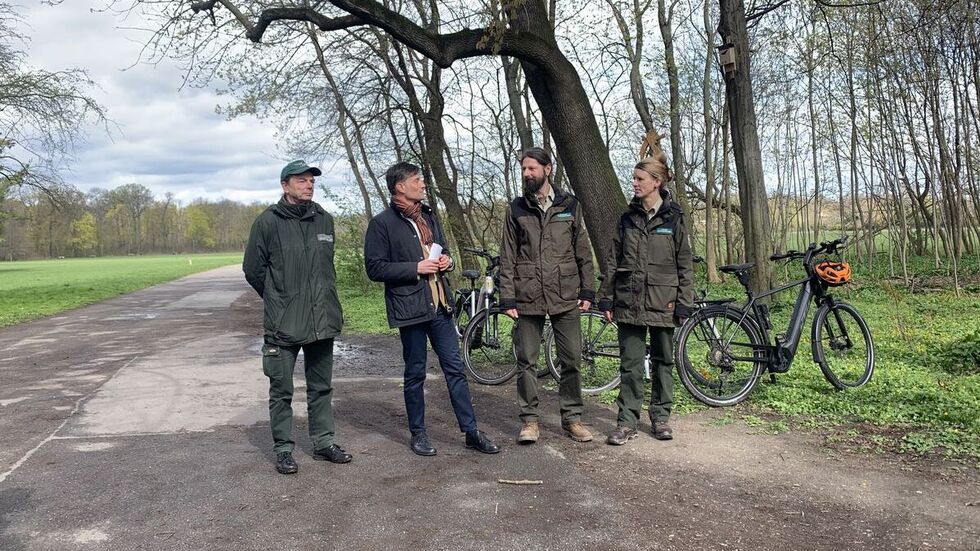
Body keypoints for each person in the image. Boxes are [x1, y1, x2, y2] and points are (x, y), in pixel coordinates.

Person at [364, 161, 500, 457]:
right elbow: (374, 268)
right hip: (410, 308)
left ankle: (471, 432)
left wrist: (447, 261)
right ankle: (419, 433)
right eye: (417, 180)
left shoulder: (427, 216)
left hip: (440, 307)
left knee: (455, 369)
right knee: (415, 373)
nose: (423, 184)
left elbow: (443, 250)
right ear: (400, 186)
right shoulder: (382, 224)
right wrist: (416, 267)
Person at [243, 160, 352, 475]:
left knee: (321, 387)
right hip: (284, 323)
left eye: (311, 181)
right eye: (301, 180)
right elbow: (253, 270)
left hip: (322, 319)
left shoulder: (324, 220)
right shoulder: (267, 222)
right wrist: (279, 299)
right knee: (282, 390)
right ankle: (283, 450)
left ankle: (323, 442)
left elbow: (326, 269)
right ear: (285, 185)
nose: (309, 185)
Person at [498, 147, 596, 444]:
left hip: (564, 293)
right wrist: (507, 297)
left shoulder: (570, 205)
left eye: (531, 168)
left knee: (572, 359)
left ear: (547, 169)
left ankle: (572, 419)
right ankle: (529, 421)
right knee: (526, 361)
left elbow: (583, 250)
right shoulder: (516, 209)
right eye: (523, 169)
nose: (526, 173)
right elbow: (507, 256)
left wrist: (588, 289)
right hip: (528, 294)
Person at [598, 144, 694, 445]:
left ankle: (661, 418)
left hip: (664, 301)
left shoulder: (674, 217)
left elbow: (685, 264)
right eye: (634, 178)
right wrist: (607, 296)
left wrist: (684, 303)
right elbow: (613, 260)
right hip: (629, 300)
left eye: (640, 179)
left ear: (656, 182)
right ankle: (626, 421)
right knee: (631, 364)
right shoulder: (627, 218)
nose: (635, 183)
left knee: (664, 361)